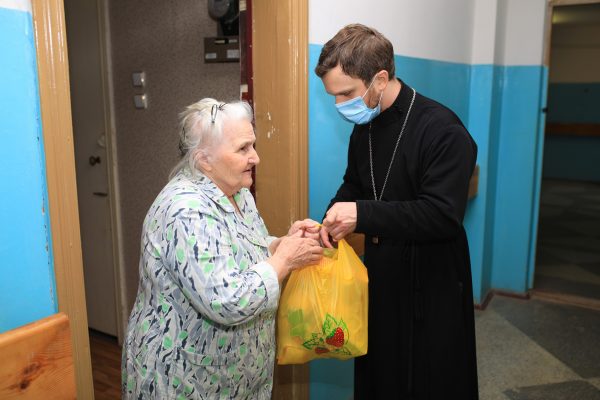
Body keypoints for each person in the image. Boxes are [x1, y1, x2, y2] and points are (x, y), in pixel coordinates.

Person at [315, 24, 479, 399]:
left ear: (380, 79)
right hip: (382, 272)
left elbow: (441, 215)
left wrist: (361, 215)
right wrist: (328, 221)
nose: (340, 105)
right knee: (380, 375)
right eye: (333, 96)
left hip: (433, 278)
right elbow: (354, 184)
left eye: (346, 93)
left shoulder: (442, 130)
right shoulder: (366, 125)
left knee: (428, 379)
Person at [121, 98, 323, 399]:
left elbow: (239, 248)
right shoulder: (186, 211)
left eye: (253, 145)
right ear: (204, 160)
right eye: (243, 149)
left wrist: (279, 245)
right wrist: (283, 260)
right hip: (184, 380)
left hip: (235, 375)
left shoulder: (237, 191)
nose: (255, 157)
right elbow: (226, 300)